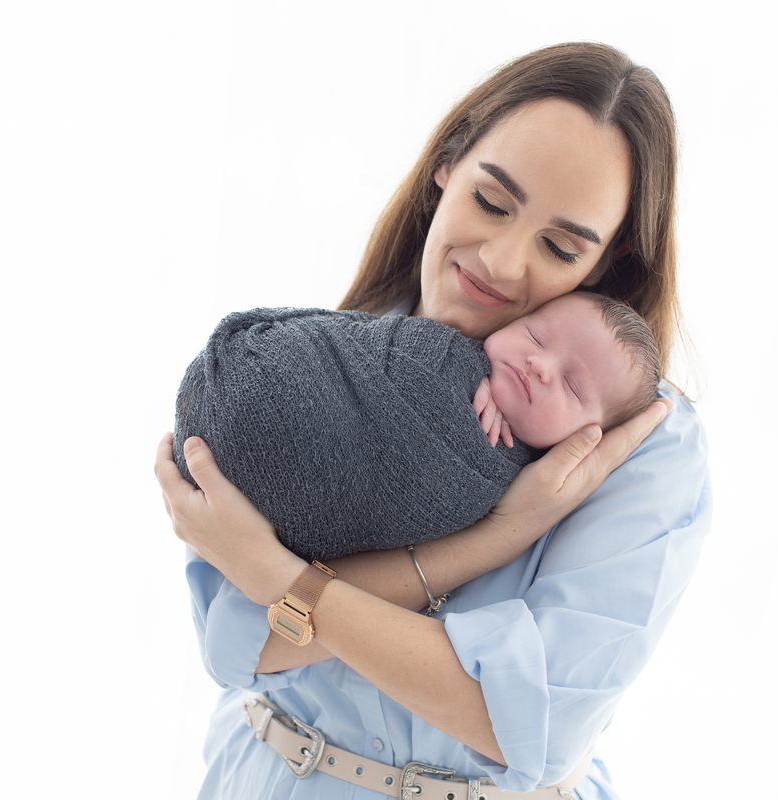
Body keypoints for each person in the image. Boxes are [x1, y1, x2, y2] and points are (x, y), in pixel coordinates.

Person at [155, 42, 711, 800]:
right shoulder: (327, 358)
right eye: (491, 201)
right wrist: (496, 539)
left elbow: (528, 726)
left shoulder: (631, 442)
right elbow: (234, 644)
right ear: (447, 164)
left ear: (607, 263)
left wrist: (284, 583)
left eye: (559, 245)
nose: (503, 262)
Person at [173, 292, 661, 564]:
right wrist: (465, 372)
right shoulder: (439, 349)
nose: (540, 365)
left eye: (572, 387)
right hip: (238, 401)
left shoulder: (529, 483)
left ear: (585, 442)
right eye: (535, 334)